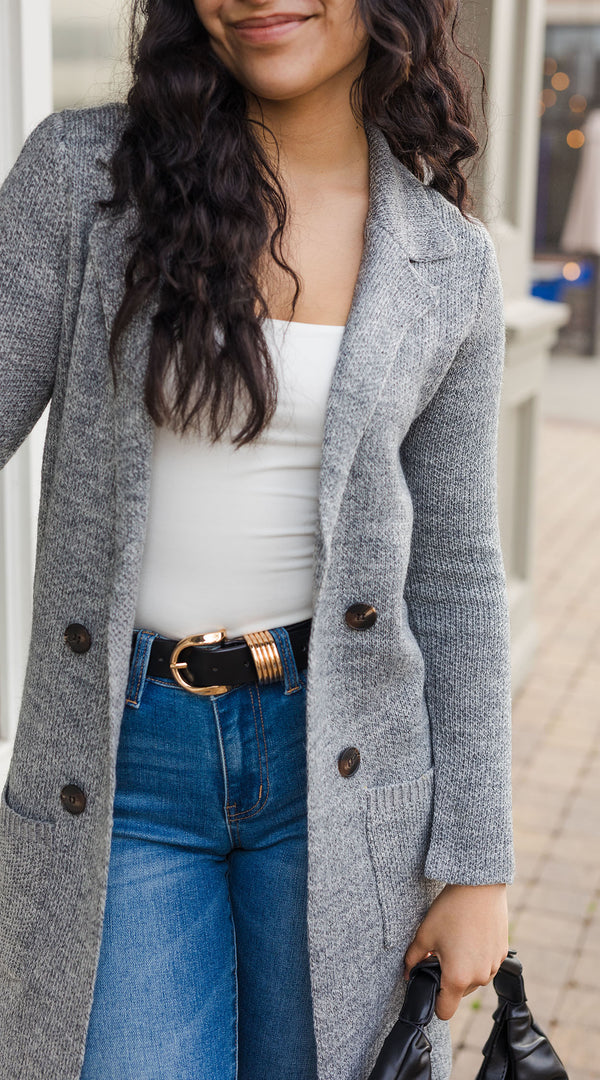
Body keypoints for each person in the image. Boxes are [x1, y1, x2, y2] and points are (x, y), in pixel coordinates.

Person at [0, 1, 514, 1078]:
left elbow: (458, 578)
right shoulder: (87, 180)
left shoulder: (446, 262)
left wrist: (478, 867)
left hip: (344, 772)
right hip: (123, 765)